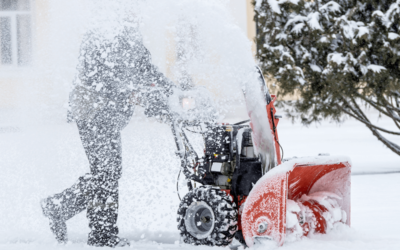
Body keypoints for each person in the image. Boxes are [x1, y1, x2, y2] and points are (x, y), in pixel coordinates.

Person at [40, 26, 173, 247]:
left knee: (107, 173)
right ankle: (101, 233)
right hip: (92, 113)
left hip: (109, 116)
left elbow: (146, 69)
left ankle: (59, 207)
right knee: (107, 173)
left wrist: (174, 91)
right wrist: (131, 89)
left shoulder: (130, 35)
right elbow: (100, 75)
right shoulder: (99, 34)